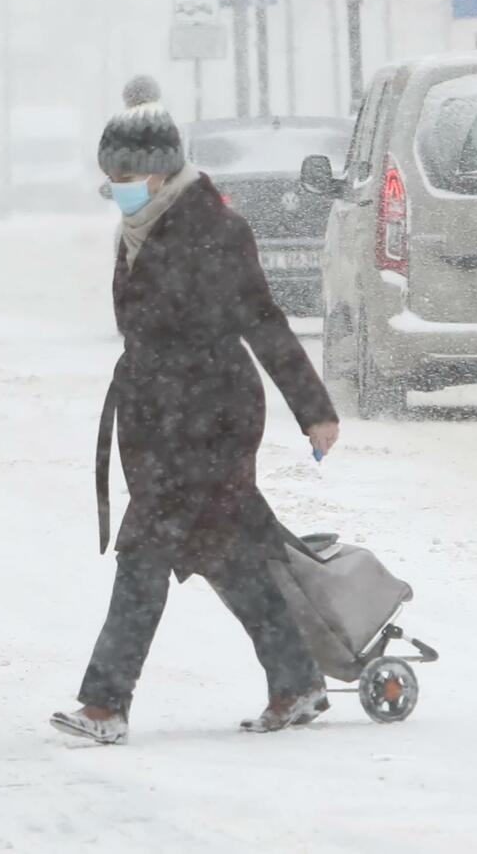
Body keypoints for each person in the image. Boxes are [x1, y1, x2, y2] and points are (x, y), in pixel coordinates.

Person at [52, 76, 340, 747]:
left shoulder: (213, 227)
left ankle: (105, 703)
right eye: (111, 174)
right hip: (163, 415)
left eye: (125, 174)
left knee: (144, 551)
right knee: (227, 553)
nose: (116, 185)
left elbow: (261, 318)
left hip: (209, 415)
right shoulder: (141, 223)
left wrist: (313, 409)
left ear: (158, 171)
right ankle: (297, 679)